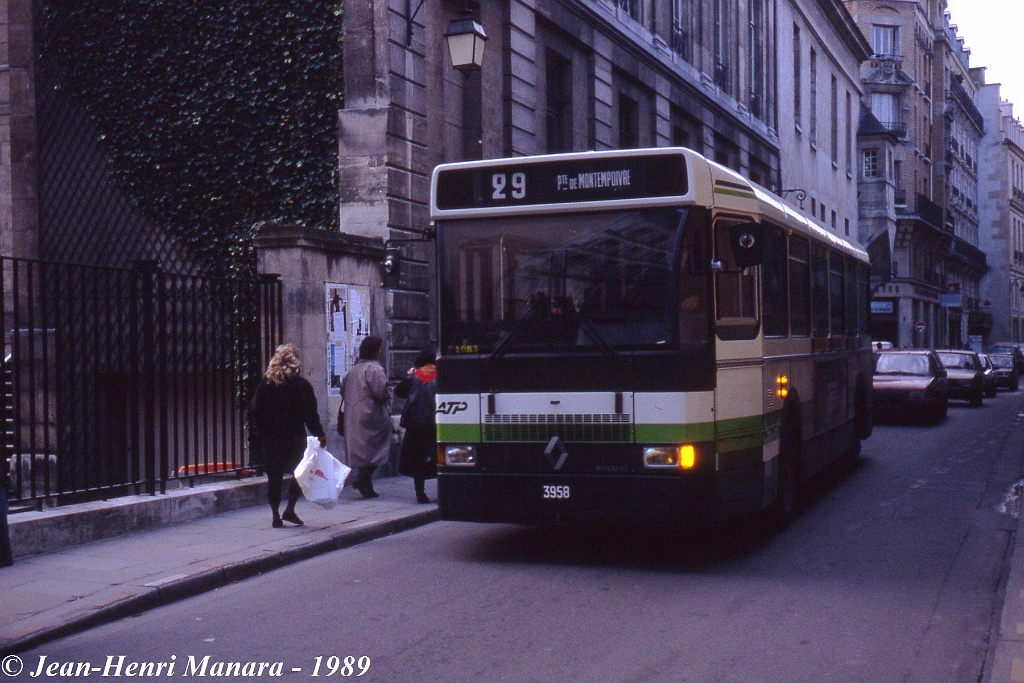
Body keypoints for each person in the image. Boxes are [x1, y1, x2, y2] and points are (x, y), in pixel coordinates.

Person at [249, 343, 326, 528]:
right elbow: (311, 415)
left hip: (271, 436)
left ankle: (275, 515)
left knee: (273, 476)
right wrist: (320, 434)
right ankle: (290, 508)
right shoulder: (302, 386)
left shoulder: (266, 384)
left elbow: (254, 408)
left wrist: (260, 429)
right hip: (294, 437)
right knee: (299, 473)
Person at [340, 335, 392, 499]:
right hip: (371, 416)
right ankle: (363, 480)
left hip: (353, 416)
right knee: (375, 452)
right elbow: (381, 392)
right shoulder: (374, 369)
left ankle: (365, 483)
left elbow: (343, 390)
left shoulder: (353, 370)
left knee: (363, 454)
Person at [395, 349, 438, 504]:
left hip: (414, 424)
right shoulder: (440, 375)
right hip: (434, 423)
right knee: (434, 456)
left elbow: (399, 392)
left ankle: (420, 492)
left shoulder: (414, 376)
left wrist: (409, 376)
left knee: (417, 458)